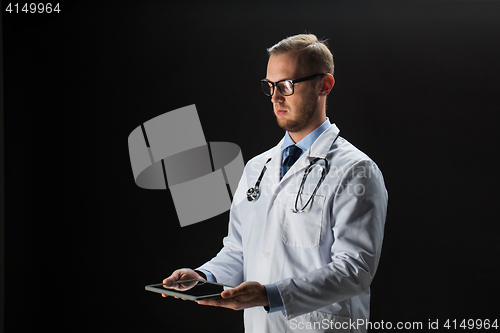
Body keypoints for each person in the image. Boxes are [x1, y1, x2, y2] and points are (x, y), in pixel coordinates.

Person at [163, 34, 388, 333]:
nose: (275, 97)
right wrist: (204, 276)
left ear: (325, 85)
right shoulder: (257, 167)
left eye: (286, 85)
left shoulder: (356, 170)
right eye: (269, 86)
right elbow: (239, 251)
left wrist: (272, 295)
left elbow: (354, 271)